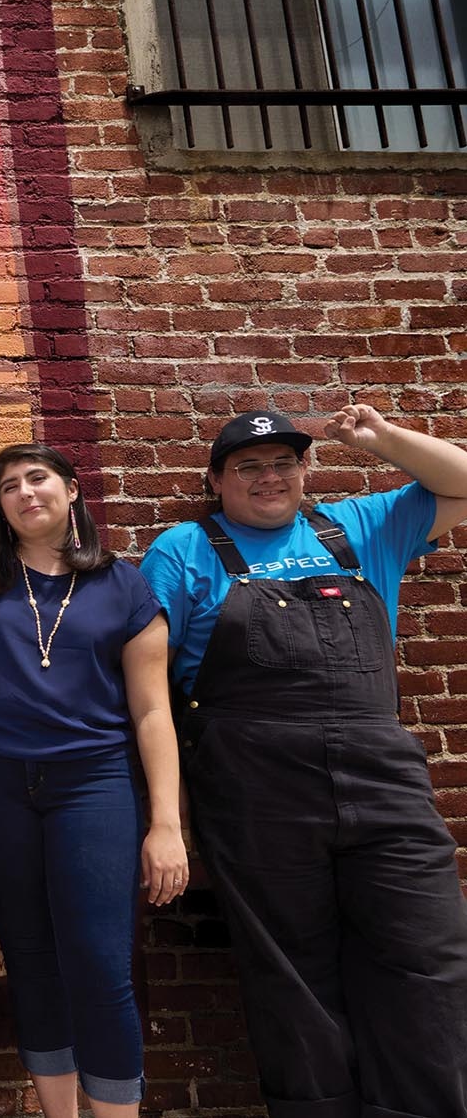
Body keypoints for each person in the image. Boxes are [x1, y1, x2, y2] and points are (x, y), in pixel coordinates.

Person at [139, 405, 467, 1118]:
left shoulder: (356, 525)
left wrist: (382, 441)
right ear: (217, 480)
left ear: (305, 471)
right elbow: (150, 692)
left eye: (284, 462)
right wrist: (171, 817)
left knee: (428, 961)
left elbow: (464, 481)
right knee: (291, 978)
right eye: (249, 466)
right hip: (255, 790)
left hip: (382, 778)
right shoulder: (184, 550)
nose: (270, 478)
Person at [0, 444, 186, 1118]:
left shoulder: (124, 583)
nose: (26, 493)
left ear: (70, 489)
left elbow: (152, 712)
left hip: (94, 782)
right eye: (8, 487)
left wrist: (166, 822)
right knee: (29, 956)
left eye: (38, 479)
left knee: (98, 960)